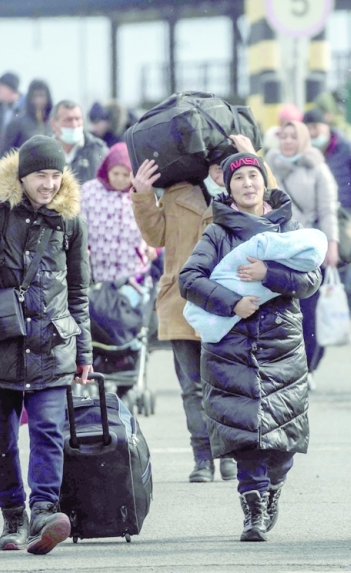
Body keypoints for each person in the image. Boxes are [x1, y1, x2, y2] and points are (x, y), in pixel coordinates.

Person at [0, 135, 91, 555]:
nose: (49, 185)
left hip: (52, 345)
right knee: (2, 439)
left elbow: (79, 293)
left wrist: (84, 354)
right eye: (40, 176)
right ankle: (13, 516)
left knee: (48, 429)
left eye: (55, 175)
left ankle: (44, 512)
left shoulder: (72, 222)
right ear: (21, 176)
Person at [179, 152, 320, 542]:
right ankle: (253, 509)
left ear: (264, 182)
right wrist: (232, 302)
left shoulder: (288, 227)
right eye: (238, 178)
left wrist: (268, 274)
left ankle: (272, 488)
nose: (247, 184)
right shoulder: (217, 232)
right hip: (231, 343)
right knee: (246, 435)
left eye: (253, 176)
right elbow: (188, 279)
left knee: (284, 437)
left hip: (281, 341)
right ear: (227, 186)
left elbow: (311, 278)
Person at [130, 133, 257, 483]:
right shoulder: (178, 193)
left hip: (231, 303)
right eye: (215, 167)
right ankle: (202, 457)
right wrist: (142, 194)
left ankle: (230, 454)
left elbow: (272, 209)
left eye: (227, 167)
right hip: (181, 302)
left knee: (228, 383)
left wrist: (254, 158)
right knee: (192, 388)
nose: (221, 175)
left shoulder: (243, 195)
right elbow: (154, 236)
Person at [264, 120, 339, 383]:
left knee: (308, 312)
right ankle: (278, 366)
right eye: (282, 136)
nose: (286, 141)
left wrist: (332, 244)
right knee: (277, 311)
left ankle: (307, 367)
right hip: (276, 250)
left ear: (303, 139)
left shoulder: (317, 168)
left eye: (292, 136)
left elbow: (328, 209)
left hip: (309, 251)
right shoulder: (269, 167)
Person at [80, 142, 151, 283]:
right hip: (96, 273)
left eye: (125, 175)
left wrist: (153, 248)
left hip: (133, 274)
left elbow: (154, 224)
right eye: (115, 173)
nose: (120, 178)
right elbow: (79, 225)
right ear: (107, 170)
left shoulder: (142, 194)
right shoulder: (89, 191)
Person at [50, 100, 107, 185]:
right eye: (68, 120)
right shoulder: (45, 151)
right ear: (54, 124)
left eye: (77, 119)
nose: (74, 124)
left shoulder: (98, 149)